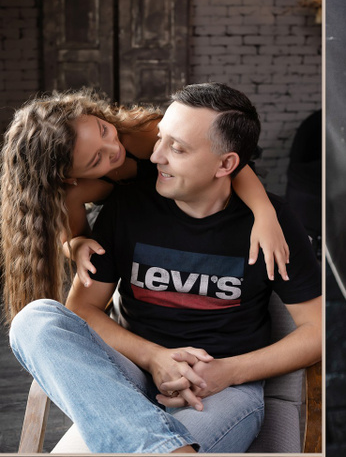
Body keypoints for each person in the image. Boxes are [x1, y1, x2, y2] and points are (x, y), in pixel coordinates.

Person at [7, 84, 321, 453]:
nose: (155, 156)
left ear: (226, 165)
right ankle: (165, 448)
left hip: (221, 390)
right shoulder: (124, 205)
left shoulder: (271, 224)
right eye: (160, 140)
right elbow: (82, 309)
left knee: (135, 444)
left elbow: (318, 331)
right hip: (132, 379)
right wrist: (154, 358)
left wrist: (228, 372)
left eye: (177, 148)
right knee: (33, 320)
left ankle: (151, 444)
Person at [1, 87, 291, 321]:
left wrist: (264, 213)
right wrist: (76, 247)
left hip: (203, 195)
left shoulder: (144, 133)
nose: (114, 149)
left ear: (95, 115)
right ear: (70, 178)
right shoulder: (76, 193)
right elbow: (74, 238)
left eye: (103, 131)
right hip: (143, 223)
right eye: (96, 160)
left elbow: (230, 165)